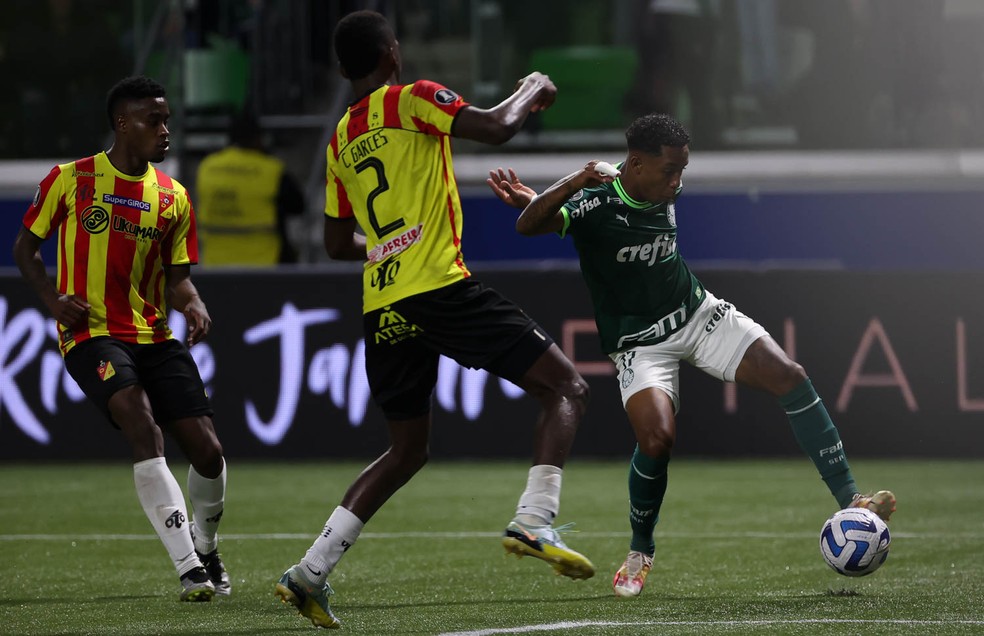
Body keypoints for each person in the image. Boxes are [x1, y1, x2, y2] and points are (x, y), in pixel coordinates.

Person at [486, 112, 896, 599]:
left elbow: (547, 214)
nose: (677, 182)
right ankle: (640, 550)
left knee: (789, 375)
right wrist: (571, 181)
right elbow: (528, 225)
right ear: (634, 164)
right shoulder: (595, 199)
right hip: (639, 342)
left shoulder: (661, 187)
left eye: (683, 170)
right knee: (657, 439)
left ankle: (854, 499)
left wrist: (542, 199)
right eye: (669, 171)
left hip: (697, 314)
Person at [273, 10, 592, 629]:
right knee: (566, 386)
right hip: (437, 286)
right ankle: (534, 521)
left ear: (342, 71)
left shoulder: (340, 137)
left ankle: (310, 572)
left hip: (383, 301)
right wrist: (533, 86)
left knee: (406, 450)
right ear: (392, 54)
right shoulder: (412, 98)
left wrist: (387, 242)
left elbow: (338, 242)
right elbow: (498, 127)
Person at [12, 76, 230, 602]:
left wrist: (194, 303)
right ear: (122, 123)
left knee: (209, 453)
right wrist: (52, 301)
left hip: (152, 333)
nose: (165, 130)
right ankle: (189, 570)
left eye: (167, 119)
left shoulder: (173, 196)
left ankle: (206, 544)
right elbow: (25, 248)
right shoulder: (71, 179)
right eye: (154, 120)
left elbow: (177, 278)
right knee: (141, 422)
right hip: (91, 332)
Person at [194, 112, 305, 266]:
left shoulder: (207, 167)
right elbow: (299, 205)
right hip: (263, 267)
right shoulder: (270, 170)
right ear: (257, 138)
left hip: (215, 267)